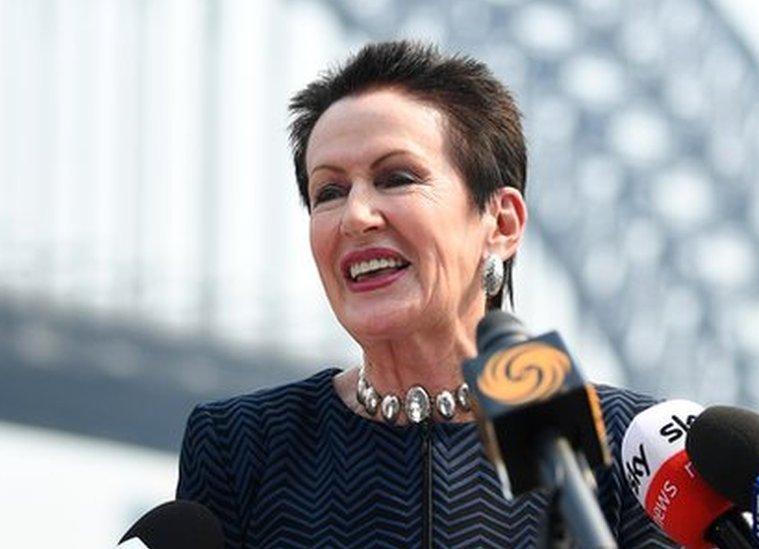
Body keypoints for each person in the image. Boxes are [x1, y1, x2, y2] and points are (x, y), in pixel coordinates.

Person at [176, 40, 676, 548]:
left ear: (501, 222)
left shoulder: (633, 447)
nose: (356, 216)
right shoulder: (241, 444)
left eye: (396, 178)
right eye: (329, 191)